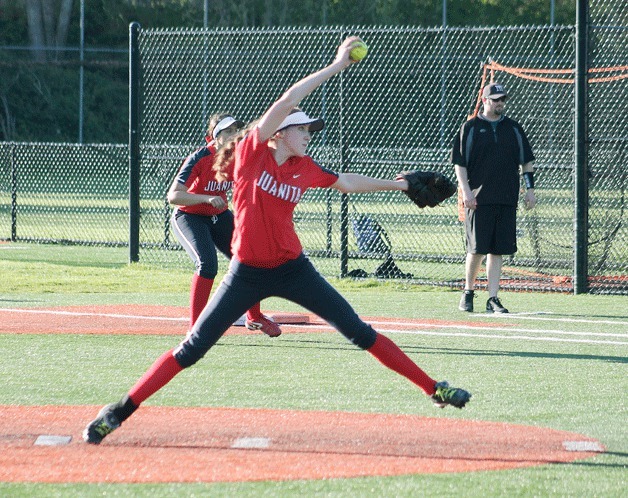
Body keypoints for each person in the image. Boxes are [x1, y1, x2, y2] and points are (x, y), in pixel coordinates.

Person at [83, 37, 471, 445]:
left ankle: (434, 388)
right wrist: (337, 65)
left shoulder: (304, 166)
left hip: (293, 269)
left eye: (308, 129)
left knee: (360, 332)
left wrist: (399, 184)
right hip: (245, 273)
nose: (308, 134)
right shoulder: (253, 152)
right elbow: (289, 97)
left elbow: (347, 184)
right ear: (281, 133)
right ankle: (119, 410)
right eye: (302, 129)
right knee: (191, 348)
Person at [167, 113, 281, 337]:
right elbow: (174, 196)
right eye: (227, 131)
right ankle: (196, 329)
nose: (233, 135)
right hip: (189, 216)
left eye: (236, 130)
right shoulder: (199, 157)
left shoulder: (238, 157)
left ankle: (254, 317)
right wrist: (205, 198)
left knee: (251, 259)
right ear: (213, 137)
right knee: (207, 264)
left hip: (219, 216)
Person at [452, 82, 536, 313]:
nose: (500, 103)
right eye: (495, 99)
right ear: (485, 100)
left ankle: (492, 298)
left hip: (506, 197)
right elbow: (460, 165)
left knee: (497, 250)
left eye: (502, 99)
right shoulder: (470, 128)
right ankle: (468, 292)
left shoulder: (514, 128)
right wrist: (466, 192)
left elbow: (526, 161)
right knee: (477, 249)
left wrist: (529, 189)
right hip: (479, 198)